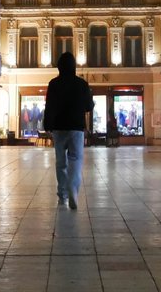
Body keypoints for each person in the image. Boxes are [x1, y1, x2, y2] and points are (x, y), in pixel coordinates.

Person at [43, 52, 94, 210]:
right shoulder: (82, 84)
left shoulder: (54, 84)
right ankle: (73, 188)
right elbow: (88, 106)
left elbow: (49, 106)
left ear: (59, 67)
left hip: (59, 128)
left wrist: (47, 125)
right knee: (76, 160)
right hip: (76, 128)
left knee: (61, 163)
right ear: (74, 66)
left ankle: (62, 195)